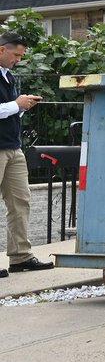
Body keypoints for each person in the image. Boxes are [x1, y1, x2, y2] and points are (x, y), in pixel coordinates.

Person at [0, 32, 52, 277]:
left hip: (13, 148)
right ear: (2, 49)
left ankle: (20, 257)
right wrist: (16, 105)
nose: (18, 60)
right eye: (16, 55)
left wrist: (22, 107)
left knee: (21, 202)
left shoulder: (8, 77)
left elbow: (9, 111)